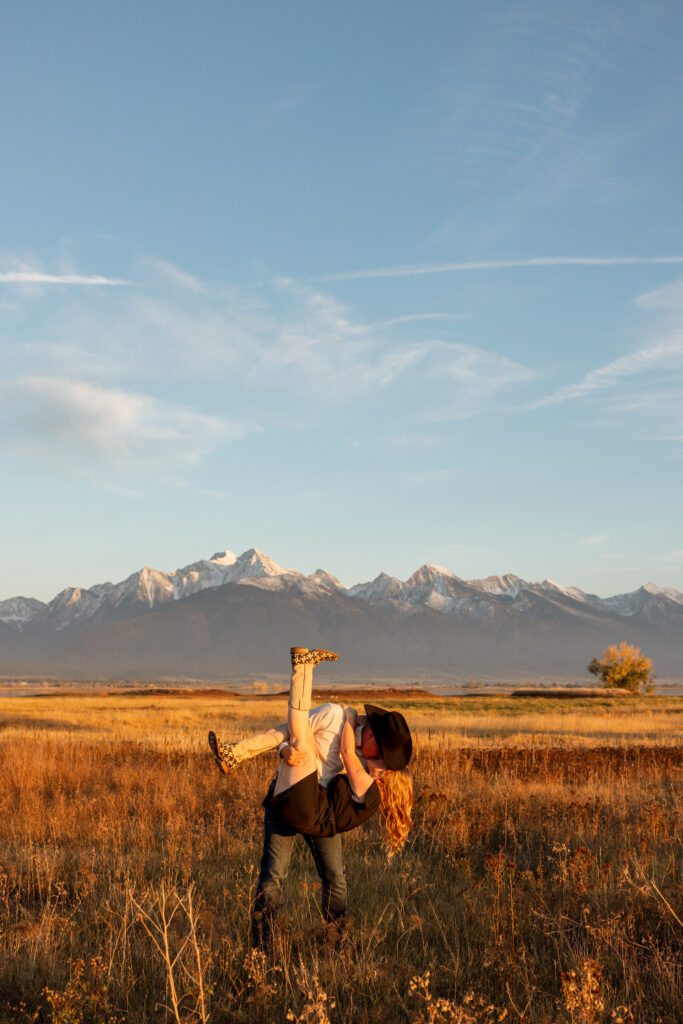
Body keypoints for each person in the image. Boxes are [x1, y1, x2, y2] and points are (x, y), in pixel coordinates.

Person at [208, 647, 413, 949]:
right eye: (383, 756)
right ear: (373, 738)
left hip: (320, 810)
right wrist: (283, 751)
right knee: (272, 875)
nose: (382, 765)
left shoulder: (362, 763)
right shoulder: (334, 716)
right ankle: (262, 947)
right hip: (290, 798)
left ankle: (336, 939)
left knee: (335, 877)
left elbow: (344, 763)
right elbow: (290, 732)